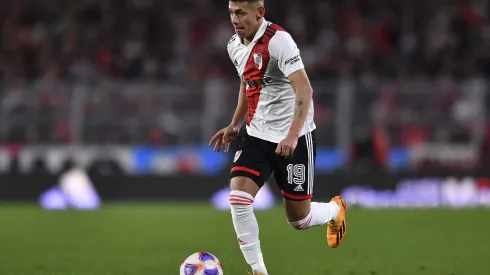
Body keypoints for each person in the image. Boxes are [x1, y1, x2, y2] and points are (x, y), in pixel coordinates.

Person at [209, 1, 347, 274]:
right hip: (257, 134)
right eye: (231, 13)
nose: (234, 19)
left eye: (240, 13)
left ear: (259, 13)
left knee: (300, 219)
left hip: (294, 137)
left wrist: (292, 136)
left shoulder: (278, 41)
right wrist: (236, 124)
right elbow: (247, 82)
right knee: (238, 198)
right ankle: (258, 270)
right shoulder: (234, 45)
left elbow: (304, 89)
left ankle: (335, 210)